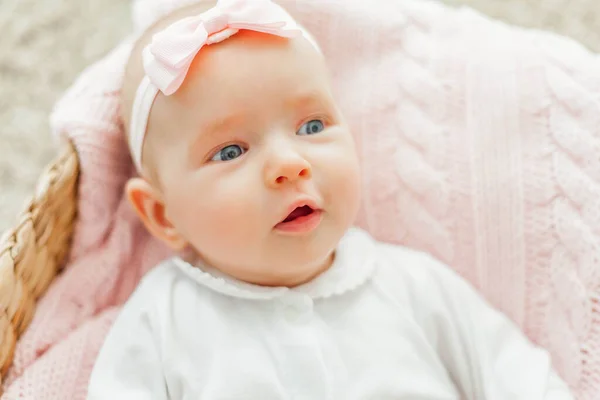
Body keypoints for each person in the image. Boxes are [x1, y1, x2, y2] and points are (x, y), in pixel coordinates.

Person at [87, 0, 574, 398]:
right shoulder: (163, 321)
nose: (290, 164)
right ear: (162, 214)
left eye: (312, 126)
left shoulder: (411, 285)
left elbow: (520, 378)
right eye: (230, 150)